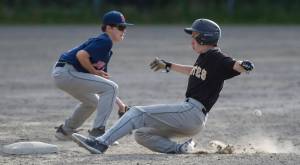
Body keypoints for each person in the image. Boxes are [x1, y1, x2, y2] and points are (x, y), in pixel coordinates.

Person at [71, 18, 254, 154]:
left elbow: (233, 64)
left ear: (205, 38)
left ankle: (100, 143)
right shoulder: (206, 58)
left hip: (192, 112)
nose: (192, 39)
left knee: (137, 112)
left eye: (195, 36)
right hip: (191, 118)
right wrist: (169, 66)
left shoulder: (216, 57)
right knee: (141, 134)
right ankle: (180, 149)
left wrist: (243, 64)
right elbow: (194, 70)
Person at [51, 10, 132, 141]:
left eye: (125, 27)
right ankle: (98, 134)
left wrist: (121, 106)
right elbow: (81, 55)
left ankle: (65, 131)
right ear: (109, 28)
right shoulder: (104, 40)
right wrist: (94, 72)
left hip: (66, 74)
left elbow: (102, 83)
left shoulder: (106, 50)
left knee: (93, 102)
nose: (124, 30)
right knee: (110, 88)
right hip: (67, 72)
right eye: (121, 27)